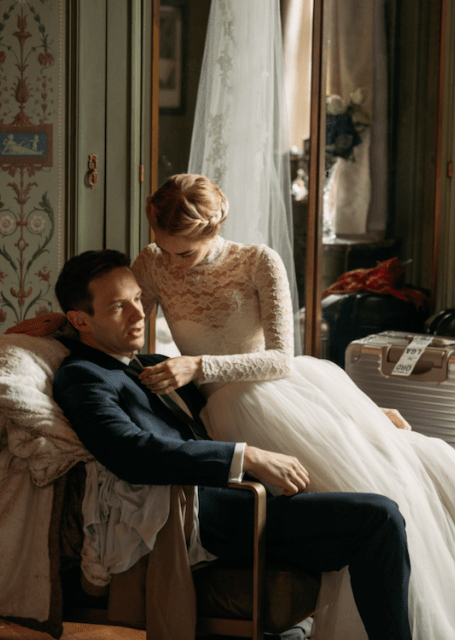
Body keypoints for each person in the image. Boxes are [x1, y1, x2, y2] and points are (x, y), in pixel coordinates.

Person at [129, 173, 455, 640]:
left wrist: (199, 366)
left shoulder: (258, 261)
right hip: (219, 408)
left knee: (390, 487)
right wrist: (64, 326)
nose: (174, 263)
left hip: (270, 392)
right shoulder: (152, 262)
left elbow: (279, 358)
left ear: (215, 228)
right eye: (165, 249)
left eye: (186, 253)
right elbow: (118, 317)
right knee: (350, 509)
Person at [51, 249, 413, 640]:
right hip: (209, 514)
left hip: (243, 501)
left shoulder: (149, 363)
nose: (140, 314)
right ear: (79, 321)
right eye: (118, 307)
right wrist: (246, 457)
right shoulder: (83, 377)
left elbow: (247, 393)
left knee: (376, 498)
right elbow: (131, 452)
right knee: (379, 516)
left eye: (138, 298)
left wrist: (366, 414)